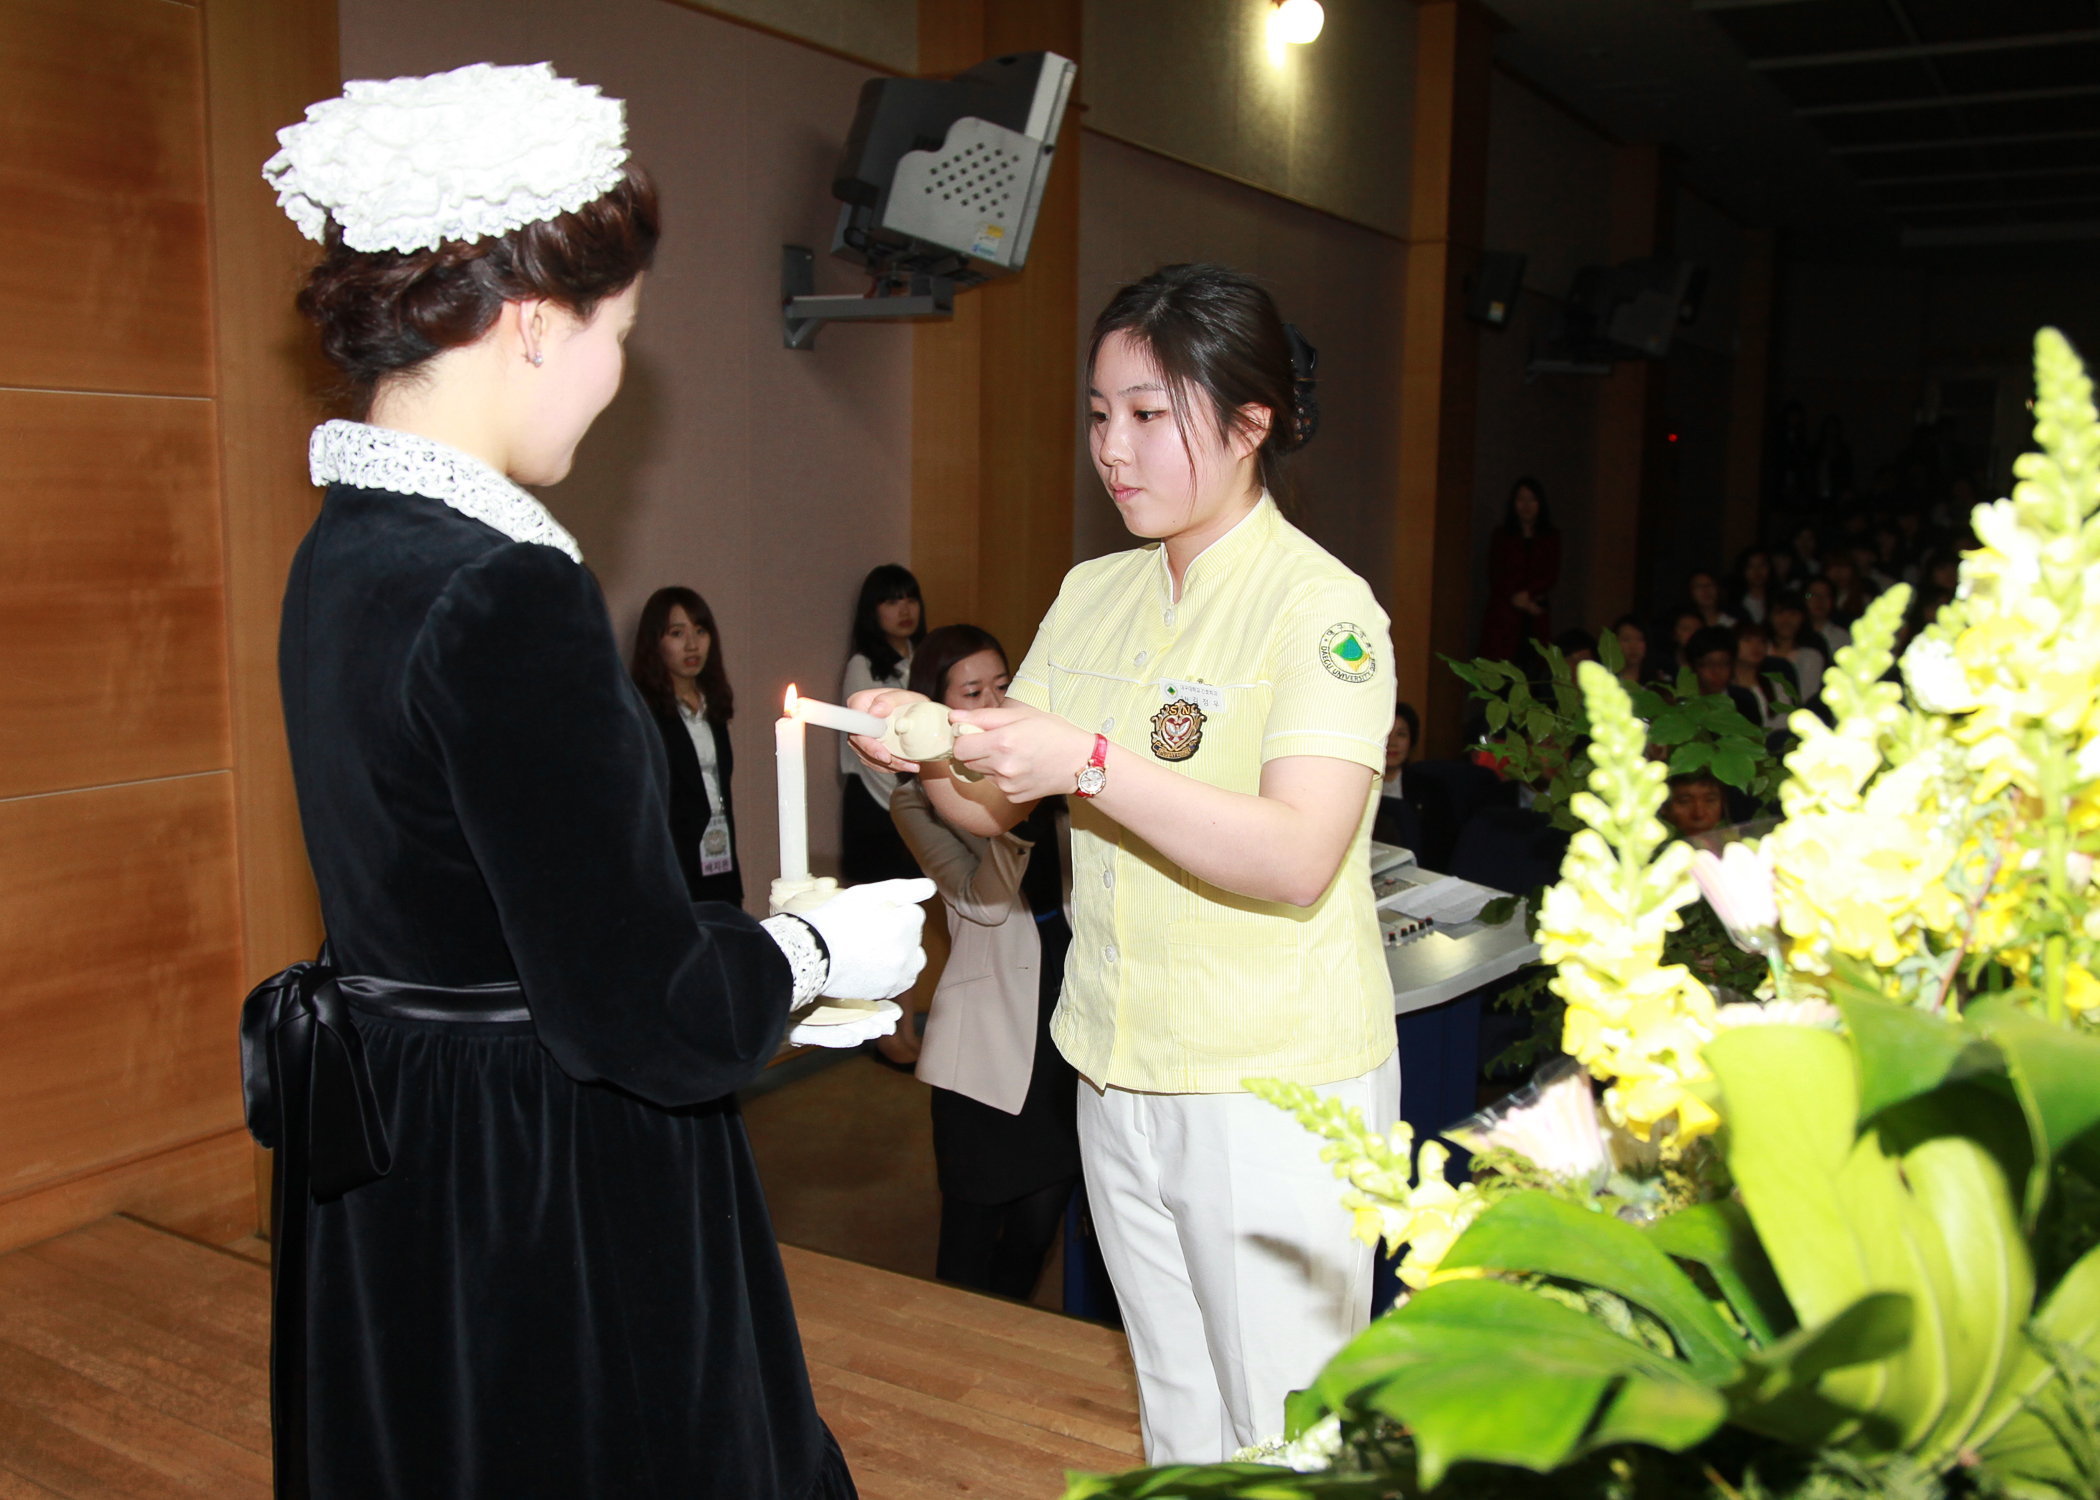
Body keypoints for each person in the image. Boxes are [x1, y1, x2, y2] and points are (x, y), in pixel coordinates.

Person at [243, 63, 932, 1500]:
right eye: (619, 332)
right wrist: (810, 951)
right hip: (537, 1175)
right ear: (536, 325)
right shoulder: (505, 589)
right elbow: (641, 1015)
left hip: (399, 1146)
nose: (621, 375)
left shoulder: (340, 549)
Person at [849, 264, 1399, 1464]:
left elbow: (1298, 855)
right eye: (1100, 413)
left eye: (1149, 414)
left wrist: (1091, 764)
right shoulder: (1094, 592)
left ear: (1251, 422)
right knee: (1177, 1403)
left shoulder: (1322, 610)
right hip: (1114, 1060)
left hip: (1272, 1080)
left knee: (1289, 1433)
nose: (1112, 447)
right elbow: (996, 802)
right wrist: (925, 747)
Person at [888, 625, 1082, 1301]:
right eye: (973, 692)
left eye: (1003, 686)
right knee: (969, 1241)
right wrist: (1008, 814)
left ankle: (1006, 1335)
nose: (995, 703)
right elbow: (980, 902)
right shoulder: (917, 797)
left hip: (1065, 1006)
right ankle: (955, 1348)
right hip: (988, 1031)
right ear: (937, 708)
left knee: (1039, 1223)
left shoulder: (1050, 774)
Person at [630, 586, 743, 905]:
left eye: (700, 631)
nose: (692, 644)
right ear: (655, 641)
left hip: (718, 853)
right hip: (670, 863)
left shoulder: (712, 705)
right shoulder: (643, 712)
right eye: (677, 633)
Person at [1478, 476, 1560, 662]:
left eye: (1532, 499)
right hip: (1504, 614)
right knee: (1502, 665)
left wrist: (1529, 595)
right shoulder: (1502, 535)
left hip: (1536, 613)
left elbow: (1551, 573)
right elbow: (1496, 573)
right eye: (1521, 499)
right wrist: (1516, 597)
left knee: (1535, 663)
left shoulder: (1551, 537)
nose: (1526, 505)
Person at [1684, 624, 1763, 725]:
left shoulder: (1744, 701)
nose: (1717, 671)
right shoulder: (1682, 703)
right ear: (1694, 667)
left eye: (1724, 663)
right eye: (1708, 663)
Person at [1373, 699, 1422, 851]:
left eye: (1401, 734)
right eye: (1386, 733)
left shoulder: (1430, 788)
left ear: (1411, 741)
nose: (1392, 743)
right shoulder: (1355, 785)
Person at [1731, 620, 1797, 731]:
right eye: (1747, 640)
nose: (1756, 646)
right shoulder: (1722, 686)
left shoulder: (1776, 686)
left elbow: (1785, 724)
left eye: (1762, 642)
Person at [1766, 591, 1827, 706]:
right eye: (1779, 613)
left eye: (1793, 614)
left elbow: (1807, 698)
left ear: (1802, 618)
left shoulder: (1811, 657)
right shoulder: (1759, 651)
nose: (1785, 620)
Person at [1805, 575, 1852, 658]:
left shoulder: (1842, 638)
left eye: (1825, 595)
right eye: (1813, 595)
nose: (1819, 600)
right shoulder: (1793, 635)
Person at [1730, 548, 1773, 625]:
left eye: (1762, 565)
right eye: (1751, 566)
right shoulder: (1734, 601)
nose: (1757, 571)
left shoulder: (1776, 599)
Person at [1611, 614, 1655, 685]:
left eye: (1640, 639)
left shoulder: (1657, 682)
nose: (1633, 647)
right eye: (1626, 640)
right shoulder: (1606, 680)